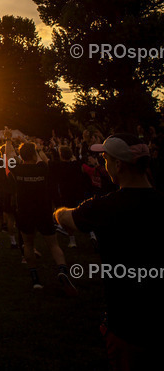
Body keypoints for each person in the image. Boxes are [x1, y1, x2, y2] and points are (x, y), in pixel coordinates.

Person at [55, 133, 164, 370]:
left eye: (106, 158)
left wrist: (62, 211)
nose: (103, 163)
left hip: (126, 323)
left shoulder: (105, 207)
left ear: (118, 165)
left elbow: (64, 217)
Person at [4, 141, 77, 294]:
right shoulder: (42, 168)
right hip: (43, 210)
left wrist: (8, 140)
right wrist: (37, 149)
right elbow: (44, 159)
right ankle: (62, 270)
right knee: (53, 245)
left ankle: (35, 279)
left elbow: (9, 157)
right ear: (33, 154)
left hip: (25, 211)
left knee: (28, 245)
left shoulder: (17, 169)